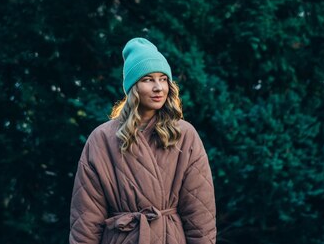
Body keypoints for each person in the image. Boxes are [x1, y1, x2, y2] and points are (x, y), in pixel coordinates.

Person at [69, 37, 216, 244]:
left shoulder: (184, 135)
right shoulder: (101, 139)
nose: (158, 88)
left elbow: (201, 213)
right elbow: (86, 220)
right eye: (148, 79)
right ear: (133, 87)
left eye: (163, 79)